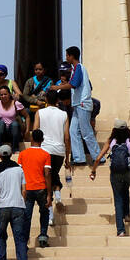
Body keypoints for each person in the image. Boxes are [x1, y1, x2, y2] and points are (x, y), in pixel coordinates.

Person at [89, 120, 130, 237]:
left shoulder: (111, 141)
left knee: (118, 198)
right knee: (125, 188)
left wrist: (93, 171)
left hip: (115, 173)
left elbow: (99, 157)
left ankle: (121, 230)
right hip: (129, 172)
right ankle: (127, 214)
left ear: (114, 130)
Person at [55, 46, 98, 180]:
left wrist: (57, 87)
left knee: (86, 132)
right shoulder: (75, 69)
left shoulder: (79, 67)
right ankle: (79, 158)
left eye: (67, 55)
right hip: (77, 105)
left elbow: (73, 84)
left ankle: (98, 157)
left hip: (83, 104)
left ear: (72, 56)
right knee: (73, 131)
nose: (66, 57)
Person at [0, 145, 29, 260]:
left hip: (3, 206)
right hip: (18, 206)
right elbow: (24, 189)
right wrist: (21, 202)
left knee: (2, 235)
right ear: (11, 154)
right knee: (20, 238)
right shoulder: (19, 169)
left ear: (0, 155)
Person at [35, 88, 71, 216]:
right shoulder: (64, 114)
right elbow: (67, 137)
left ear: (45, 99)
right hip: (59, 151)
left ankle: (50, 215)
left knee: (46, 181)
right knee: (54, 173)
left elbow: (35, 132)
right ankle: (58, 194)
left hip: (44, 150)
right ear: (57, 100)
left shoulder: (40, 113)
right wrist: (67, 157)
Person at [17, 130, 53, 250]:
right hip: (41, 188)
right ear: (42, 140)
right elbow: (47, 173)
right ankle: (43, 236)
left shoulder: (22, 154)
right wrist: (49, 193)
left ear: (31, 139)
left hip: (27, 189)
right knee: (44, 213)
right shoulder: (46, 155)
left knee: (27, 216)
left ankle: (25, 240)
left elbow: (19, 173)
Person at [20, 61, 55, 131]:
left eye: (40, 69)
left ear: (44, 70)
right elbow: (25, 95)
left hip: (45, 106)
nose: (38, 71)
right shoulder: (30, 81)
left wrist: (37, 98)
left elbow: (51, 95)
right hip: (32, 107)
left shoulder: (49, 81)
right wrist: (36, 101)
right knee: (24, 113)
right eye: (36, 69)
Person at [0, 83, 26, 151]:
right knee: (1, 122)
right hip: (1, 131)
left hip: (14, 132)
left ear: (10, 94)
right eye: (1, 95)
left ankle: (15, 149)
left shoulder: (16, 103)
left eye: (5, 94)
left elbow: (27, 116)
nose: (3, 96)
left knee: (14, 124)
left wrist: (27, 132)